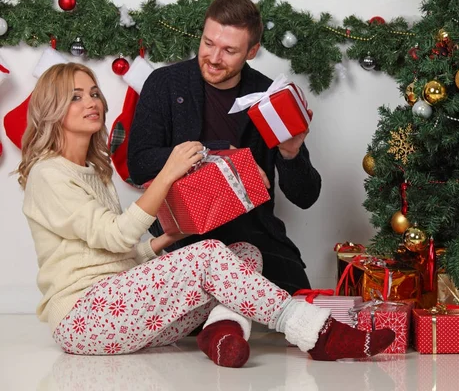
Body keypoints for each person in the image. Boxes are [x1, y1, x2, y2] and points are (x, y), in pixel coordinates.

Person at [17, 63, 394, 368]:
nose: (93, 102)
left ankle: (220, 332)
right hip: (85, 318)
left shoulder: (93, 171)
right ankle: (318, 333)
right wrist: (169, 171)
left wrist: (168, 239)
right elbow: (114, 236)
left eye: (95, 93)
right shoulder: (48, 174)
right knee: (211, 252)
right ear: (52, 110)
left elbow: (119, 254)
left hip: (122, 309)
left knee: (245, 253)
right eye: (76, 97)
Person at [127, 0, 319, 295]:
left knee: (301, 309)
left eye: (229, 50)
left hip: (252, 228)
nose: (214, 58)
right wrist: (221, 154)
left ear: (252, 51)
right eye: (208, 43)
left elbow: (306, 196)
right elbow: (139, 165)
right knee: (200, 317)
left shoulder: (268, 95)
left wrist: (290, 154)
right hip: (185, 229)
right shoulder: (164, 84)